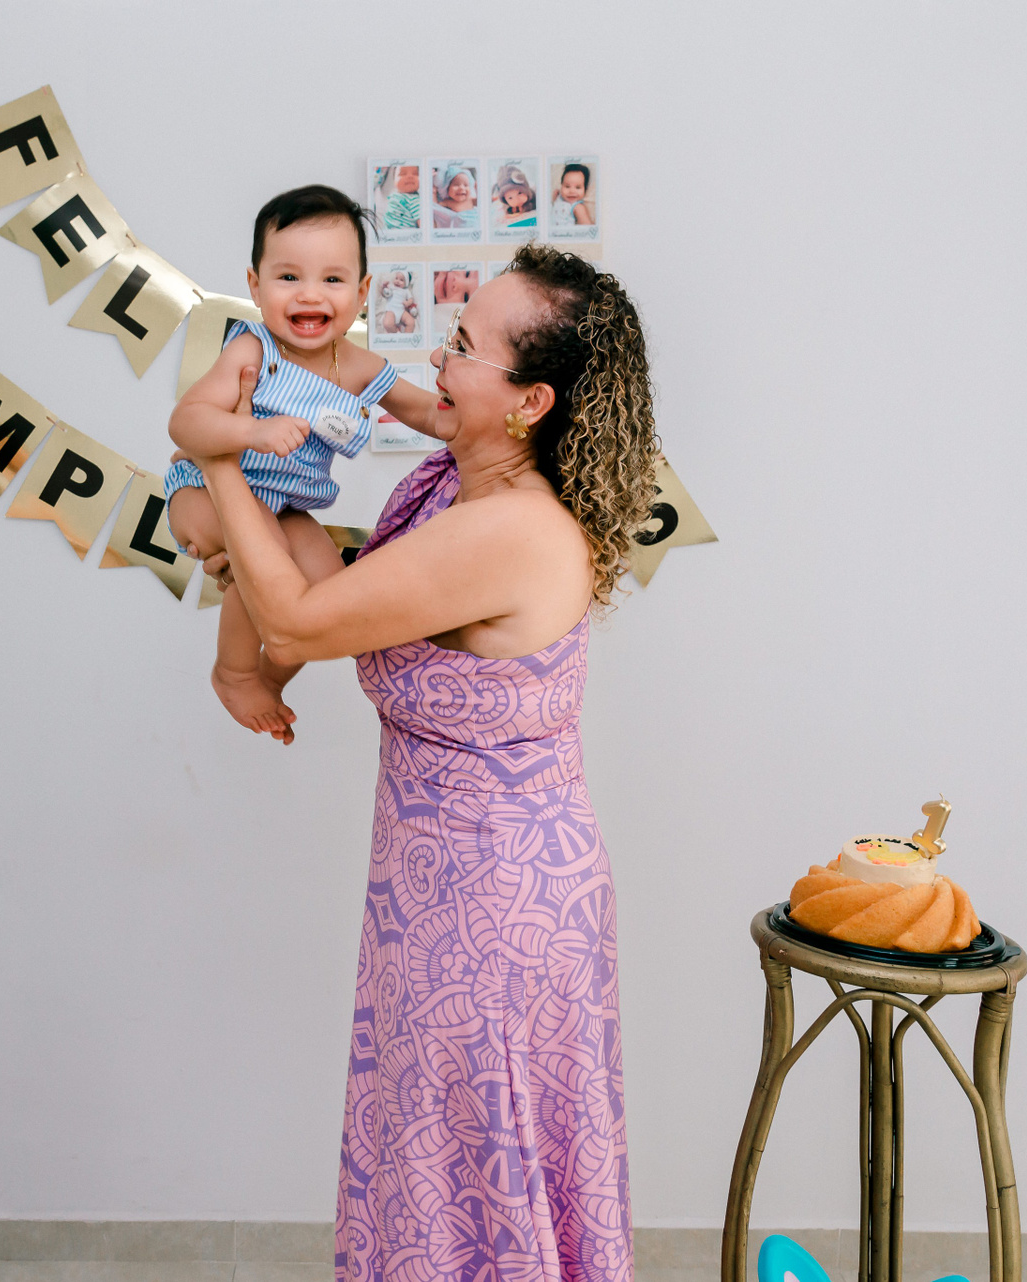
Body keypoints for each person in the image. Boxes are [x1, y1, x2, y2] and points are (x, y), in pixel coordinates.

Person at [187, 244, 656, 1282]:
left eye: (464, 347)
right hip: (438, 888)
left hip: (497, 908)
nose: (437, 358)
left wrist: (218, 454)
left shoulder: (514, 530)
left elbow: (299, 622)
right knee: (437, 1169)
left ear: (530, 401)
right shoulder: (451, 485)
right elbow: (339, 592)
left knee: (474, 1175)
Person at [165, 185, 438, 735]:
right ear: (255, 285)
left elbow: (427, 412)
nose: (310, 294)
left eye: (332, 280)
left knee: (328, 596)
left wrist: (483, 417)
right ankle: (234, 673)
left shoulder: (358, 366)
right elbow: (185, 423)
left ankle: (270, 676)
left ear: (362, 292)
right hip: (203, 491)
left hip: (286, 507)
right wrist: (251, 431)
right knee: (261, 549)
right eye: (288, 277)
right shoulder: (253, 350)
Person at [431, 161, 478, 229]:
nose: (462, 188)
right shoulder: (448, 202)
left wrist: (478, 190)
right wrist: (433, 192)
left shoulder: (470, 200)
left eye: (465, 185)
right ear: (447, 188)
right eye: (456, 185)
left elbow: (480, 202)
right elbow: (436, 207)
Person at [552, 163, 596, 230]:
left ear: (585, 189)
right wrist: (555, 197)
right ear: (561, 186)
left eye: (578, 187)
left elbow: (587, 227)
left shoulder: (577, 207)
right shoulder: (560, 197)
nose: (572, 191)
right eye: (567, 186)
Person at [379, 164, 420, 232]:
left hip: (404, 234)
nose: (410, 177)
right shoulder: (394, 195)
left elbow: (423, 223)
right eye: (403, 174)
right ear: (394, 180)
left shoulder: (415, 200)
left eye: (415, 174)